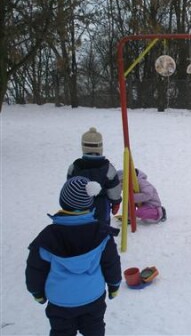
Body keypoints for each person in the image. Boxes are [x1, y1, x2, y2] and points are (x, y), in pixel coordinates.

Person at [25, 176, 122, 336]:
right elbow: (111, 262)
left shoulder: (47, 237)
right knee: (94, 329)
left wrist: (37, 292)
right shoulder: (101, 233)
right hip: (93, 296)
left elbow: (35, 268)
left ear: (63, 202)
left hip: (60, 301)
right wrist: (114, 284)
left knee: (61, 332)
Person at [67, 127, 122, 225]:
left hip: (79, 203)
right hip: (101, 204)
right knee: (102, 225)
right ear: (100, 147)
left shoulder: (74, 167)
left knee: (80, 224)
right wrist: (116, 202)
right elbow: (114, 188)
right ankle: (103, 238)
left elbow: (69, 186)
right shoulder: (108, 168)